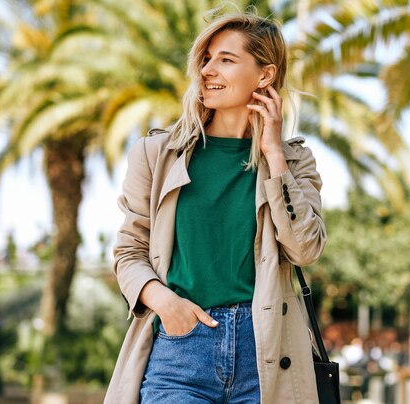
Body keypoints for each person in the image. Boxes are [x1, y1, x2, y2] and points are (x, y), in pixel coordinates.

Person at [104, 10, 327, 404]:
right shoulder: (157, 155)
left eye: (226, 59)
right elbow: (128, 251)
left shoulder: (293, 162)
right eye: (206, 58)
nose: (208, 69)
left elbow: (304, 248)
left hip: (266, 354)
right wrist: (165, 303)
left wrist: (274, 155)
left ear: (265, 75)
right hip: (181, 349)